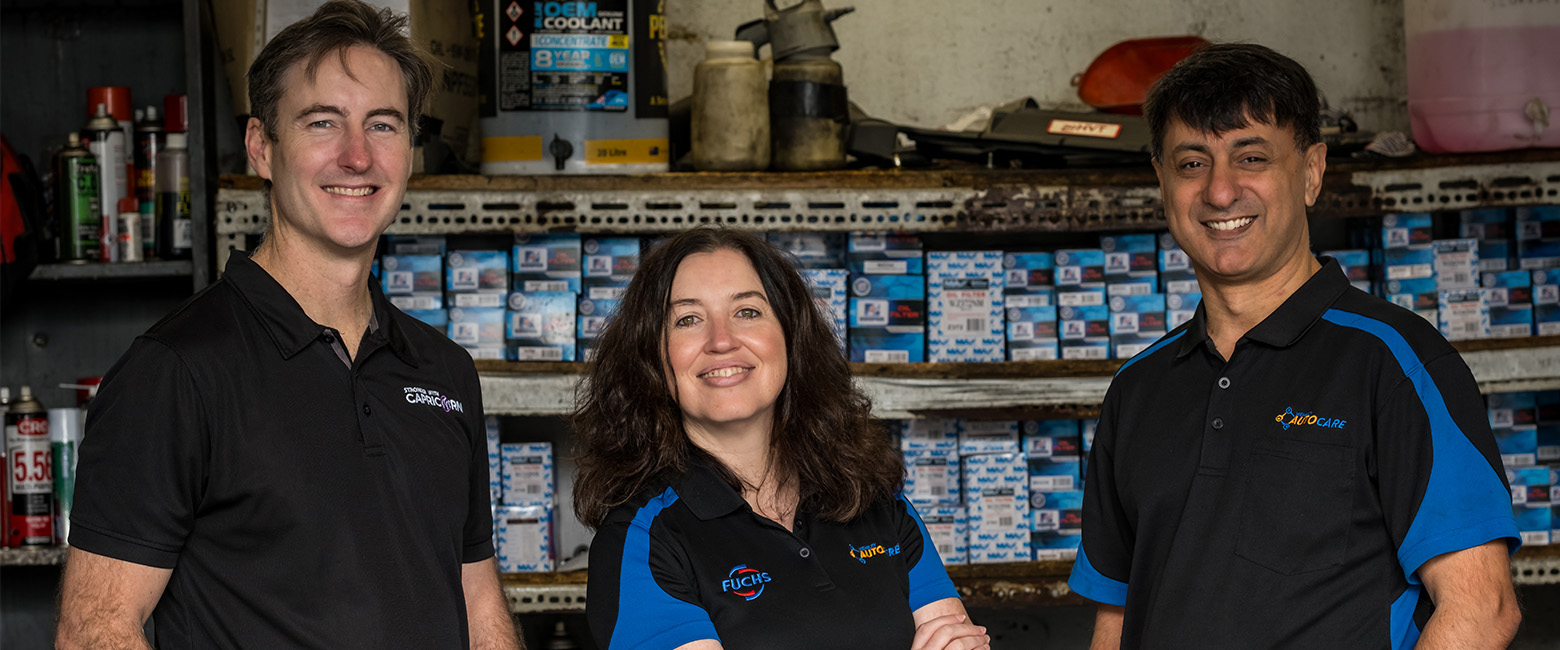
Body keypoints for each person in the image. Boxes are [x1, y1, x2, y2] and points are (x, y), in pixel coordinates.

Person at [55, 3, 521, 649]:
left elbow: (478, 602)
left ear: (410, 152)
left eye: (382, 125)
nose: (357, 157)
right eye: (323, 122)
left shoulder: (444, 371)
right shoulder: (176, 371)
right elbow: (97, 631)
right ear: (261, 148)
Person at [1068, 42, 1521, 649]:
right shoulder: (1138, 388)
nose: (1220, 192)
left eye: (1250, 158)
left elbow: (1481, 608)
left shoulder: (1395, 362)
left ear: (1310, 172)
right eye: (1192, 163)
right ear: (1162, 181)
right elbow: (1117, 617)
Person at [575, 228, 988, 650]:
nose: (721, 341)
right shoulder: (643, 538)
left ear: (791, 335)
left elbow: (959, 641)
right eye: (688, 320)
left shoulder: (875, 498)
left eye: (747, 312)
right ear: (653, 359)